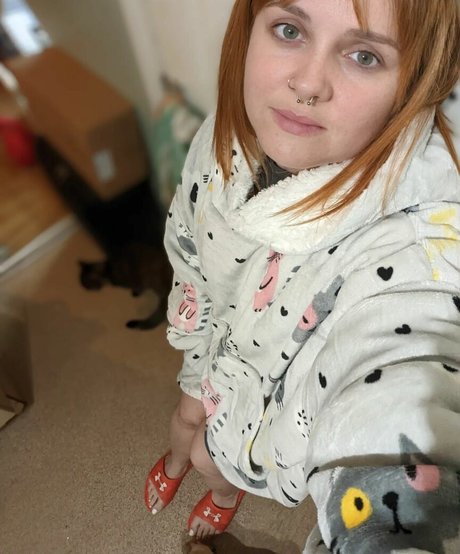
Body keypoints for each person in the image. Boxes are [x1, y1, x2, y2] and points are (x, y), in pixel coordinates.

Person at [145, 0, 460, 551]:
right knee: (183, 425)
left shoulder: (414, 240)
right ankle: (174, 462)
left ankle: (221, 496)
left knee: (210, 460)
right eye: (289, 30)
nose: (308, 84)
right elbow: (188, 248)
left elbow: (404, 356)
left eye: (364, 56)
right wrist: (195, 356)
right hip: (212, 357)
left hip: (262, 417)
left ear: (414, 84)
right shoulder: (222, 139)